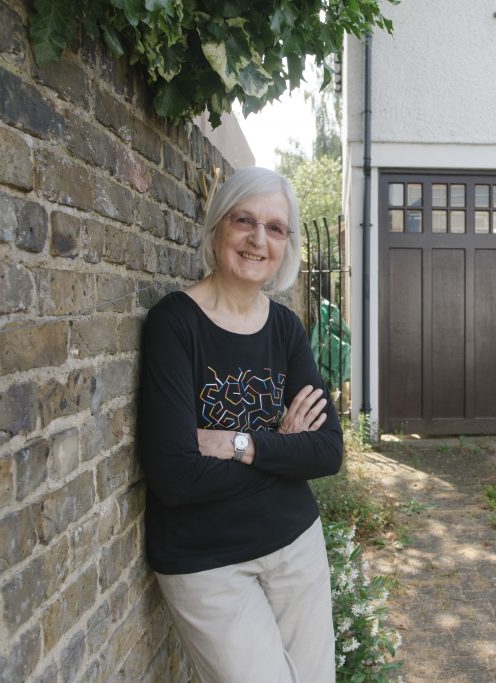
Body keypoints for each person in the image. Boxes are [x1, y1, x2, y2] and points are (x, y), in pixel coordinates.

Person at [137, 167, 342, 683]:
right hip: (207, 563)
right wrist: (281, 449)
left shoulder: (285, 328)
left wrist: (238, 443)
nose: (258, 239)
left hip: (295, 544)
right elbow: (176, 477)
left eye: (275, 228)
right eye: (244, 220)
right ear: (217, 227)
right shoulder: (174, 324)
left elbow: (327, 451)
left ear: (286, 244)